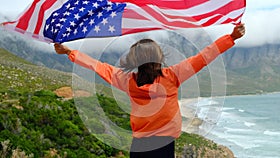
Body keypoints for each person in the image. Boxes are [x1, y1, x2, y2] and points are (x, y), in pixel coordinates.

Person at [54, 24, 245, 158]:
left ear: (135, 60)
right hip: (164, 145)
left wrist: (70, 52)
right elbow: (204, 57)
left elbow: (98, 66)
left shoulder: (127, 81)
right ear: (158, 57)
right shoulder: (173, 76)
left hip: (139, 146)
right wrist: (231, 37)